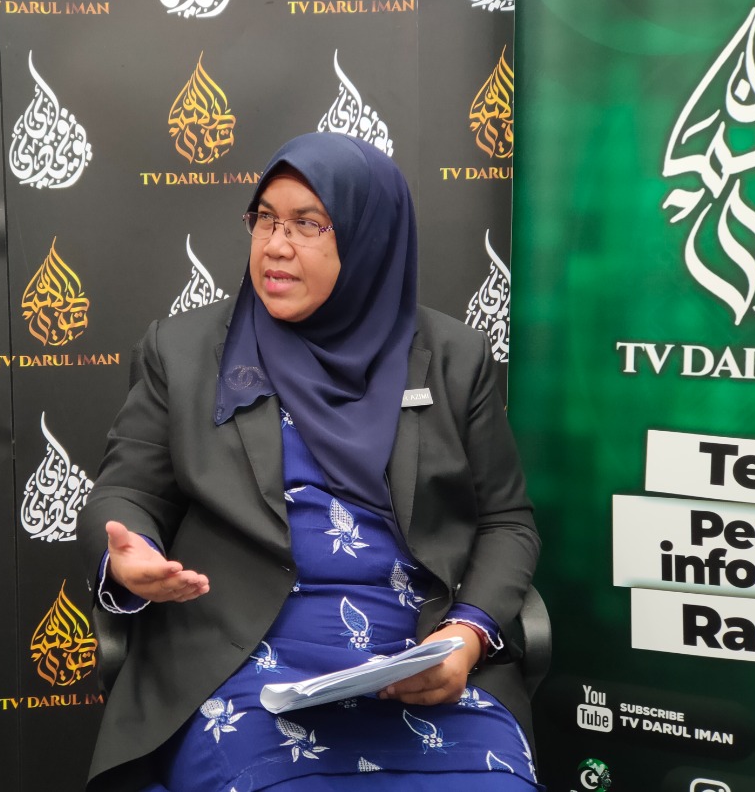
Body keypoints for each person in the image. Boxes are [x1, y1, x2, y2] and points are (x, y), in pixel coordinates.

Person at [78, 132, 542, 791]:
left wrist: (465, 637)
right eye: (265, 218)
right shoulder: (182, 353)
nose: (275, 245)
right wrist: (130, 555)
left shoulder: (451, 358)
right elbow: (128, 492)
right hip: (242, 667)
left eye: (307, 224)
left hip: (419, 660)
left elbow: (506, 521)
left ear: (369, 239)